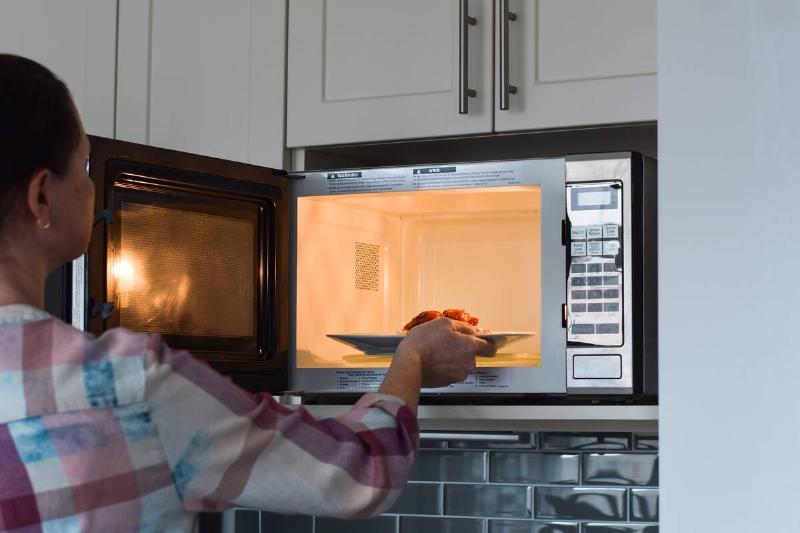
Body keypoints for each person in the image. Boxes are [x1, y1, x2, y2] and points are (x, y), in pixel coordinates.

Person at [0, 53, 496, 532]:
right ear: (42, 195)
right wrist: (411, 360)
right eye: (85, 169)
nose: (91, 191)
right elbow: (359, 475)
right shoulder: (127, 386)